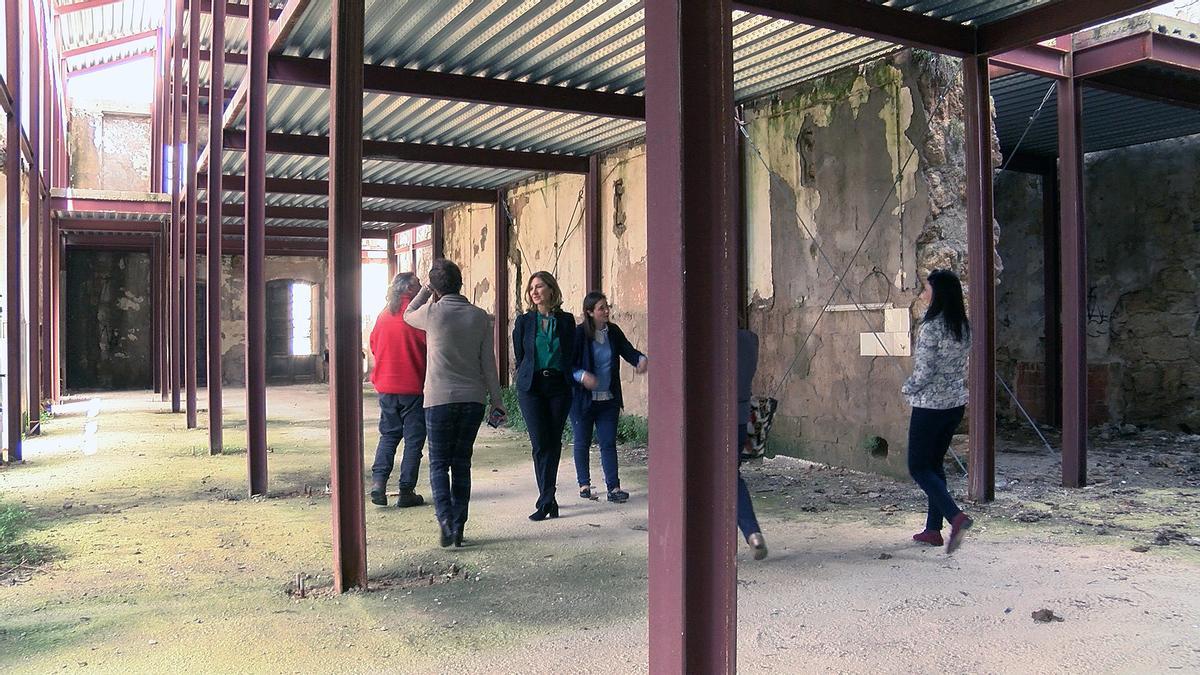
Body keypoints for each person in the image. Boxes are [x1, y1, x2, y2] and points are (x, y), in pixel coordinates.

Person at [404, 259, 506, 548]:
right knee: (462, 463)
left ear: (436, 287)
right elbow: (488, 363)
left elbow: (407, 314)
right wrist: (496, 400)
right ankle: (459, 526)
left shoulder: (432, 312)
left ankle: (446, 521)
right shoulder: (479, 316)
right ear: (461, 283)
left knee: (438, 464)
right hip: (472, 399)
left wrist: (426, 290)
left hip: (437, 400)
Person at [902, 269, 972, 554]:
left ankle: (955, 516)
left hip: (930, 406)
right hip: (954, 405)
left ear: (938, 293)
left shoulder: (931, 327)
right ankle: (933, 530)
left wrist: (908, 388)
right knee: (934, 465)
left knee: (918, 467)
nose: (923, 294)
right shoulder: (964, 326)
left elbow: (925, 371)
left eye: (927, 289)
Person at [569, 291, 647, 503]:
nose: (606, 311)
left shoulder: (613, 332)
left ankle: (614, 488)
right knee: (582, 442)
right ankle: (584, 484)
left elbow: (627, 350)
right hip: (583, 400)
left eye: (607, 307)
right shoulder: (579, 334)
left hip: (608, 400)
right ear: (590, 312)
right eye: (601, 308)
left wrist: (640, 359)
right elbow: (568, 365)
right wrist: (582, 375)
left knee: (608, 443)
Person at [512, 271, 576, 522]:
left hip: (559, 386)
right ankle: (546, 499)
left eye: (540, 287)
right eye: (531, 289)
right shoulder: (524, 322)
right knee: (540, 442)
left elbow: (571, 353)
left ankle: (548, 498)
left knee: (553, 442)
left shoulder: (567, 321)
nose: (535, 292)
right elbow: (520, 356)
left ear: (551, 290)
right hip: (532, 387)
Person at [368, 272, 427, 508]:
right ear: (411, 289)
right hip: (413, 386)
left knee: (389, 436)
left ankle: (378, 484)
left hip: (387, 387)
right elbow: (431, 346)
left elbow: (374, 345)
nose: (423, 288)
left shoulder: (384, 315)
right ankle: (406, 490)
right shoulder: (416, 316)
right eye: (419, 285)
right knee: (413, 441)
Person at [738, 328, 768, 561]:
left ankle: (750, 532)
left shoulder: (710, 341)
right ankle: (753, 533)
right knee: (730, 476)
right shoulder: (750, 340)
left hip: (709, 419)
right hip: (739, 416)